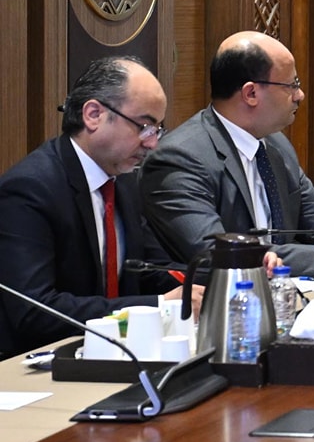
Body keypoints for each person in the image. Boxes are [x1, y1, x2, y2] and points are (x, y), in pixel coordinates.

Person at [143, 32, 314, 276]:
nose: (300, 95)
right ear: (251, 93)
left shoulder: (275, 144)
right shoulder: (180, 157)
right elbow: (215, 253)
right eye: (292, 85)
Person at [0, 57, 191, 357]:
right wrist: (158, 305)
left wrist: (220, 276)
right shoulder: (30, 189)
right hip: (40, 362)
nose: (152, 143)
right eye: (144, 126)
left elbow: (149, 269)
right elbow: (35, 311)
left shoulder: (122, 181)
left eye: (157, 129)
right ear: (93, 115)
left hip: (111, 356)